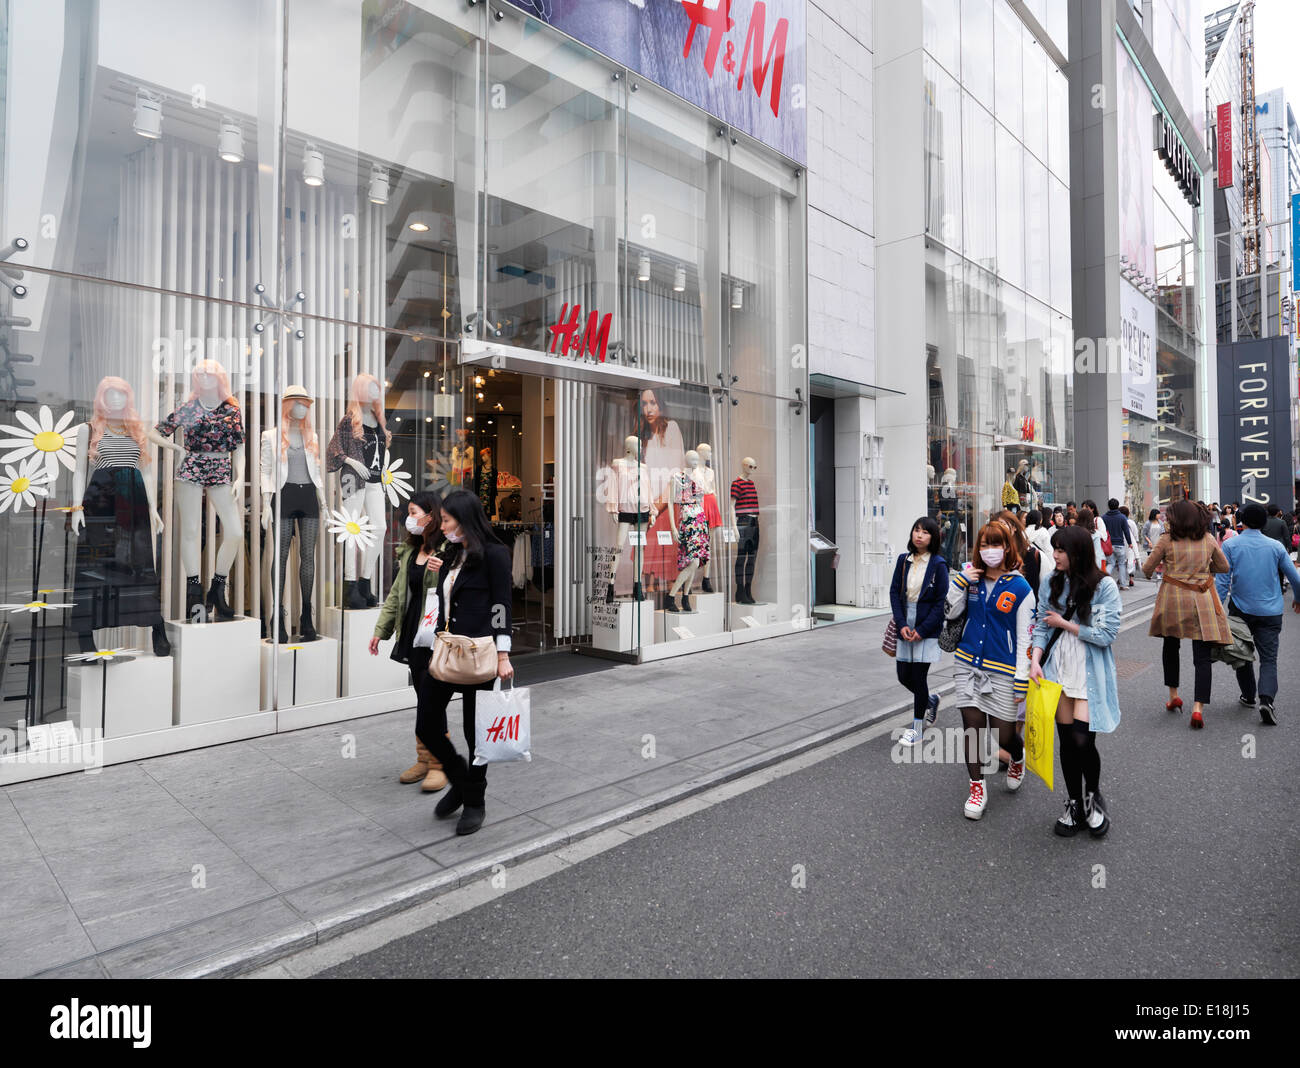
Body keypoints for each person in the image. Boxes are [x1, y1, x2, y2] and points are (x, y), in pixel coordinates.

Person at [414, 488, 514, 836]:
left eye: (445, 520)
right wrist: (438, 573)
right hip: (446, 652)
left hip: (480, 653)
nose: (442, 527)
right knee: (426, 723)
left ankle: (475, 801)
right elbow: (445, 602)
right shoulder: (451, 553)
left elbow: (502, 604)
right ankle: (462, 783)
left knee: (476, 734)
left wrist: (503, 653)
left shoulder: (495, 554)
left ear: (464, 519)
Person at [1030, 524, 1122, 837]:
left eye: (1060, 550)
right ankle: (1073, 803)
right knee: (1067, 740)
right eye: (1053, 549)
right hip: (1058, 667)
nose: (1054, 555)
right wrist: (1035, 661)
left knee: (1083, 740)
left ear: (1077, 553)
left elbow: (1106, 634)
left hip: (1089, 669)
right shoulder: (1050, 582)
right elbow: (1040, 625)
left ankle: (1092, 796)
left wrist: (1065, 624)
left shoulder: (1103, 586)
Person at [945, 521, 1035, 819]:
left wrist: (1022, 680)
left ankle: (1017, 757)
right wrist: (960, 581)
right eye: (984, 545)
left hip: (1003, 670)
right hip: (967, 663)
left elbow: (1026, 637)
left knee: (1003, 733)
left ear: (1007, 547)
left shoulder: (1021, 587)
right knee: (972, 728)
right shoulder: (969, 579)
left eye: (995, 544)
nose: (989, 551)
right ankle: (976, 787)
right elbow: (950, 612)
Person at [371, 490, 449, 793]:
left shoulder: (447, 550)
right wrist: (381, 630)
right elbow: (395, 595)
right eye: (410, 511)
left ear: (431, 516)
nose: (410, 518)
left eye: (415, 512)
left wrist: (442, 572)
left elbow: (460, 586)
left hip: (436, 635)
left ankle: (440, 763)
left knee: (433, 698)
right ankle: (424, 758)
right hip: (412, 635)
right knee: (423, 697)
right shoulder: (409, 550)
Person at [1141, 499, 1232, 729]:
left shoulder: (1166, 540)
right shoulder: (1209, 539)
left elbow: (1147, 569)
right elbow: (1224, 567)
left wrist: (1169, 567)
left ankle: (1173, 696)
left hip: (1172, 598)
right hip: (1201, 599)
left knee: (1171, 646)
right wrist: (1202, 569)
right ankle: (1198, 708)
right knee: (1202, 655)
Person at [1215, 503, 1300, 725]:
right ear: (1264, 522)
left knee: (1242, 654)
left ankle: (1248, 695)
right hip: (1271, 611)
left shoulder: (1231, 545)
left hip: (1240, 610)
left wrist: (1215, 609)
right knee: (1269, 659)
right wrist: (1298, 600)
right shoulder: (1276, 547)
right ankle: (1266, 700)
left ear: (1241, 521)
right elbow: (1295, 578)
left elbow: (1222, 582)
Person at [889, 517, 950, 746]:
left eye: (925, 532)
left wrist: (923, 630)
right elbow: (895, 593)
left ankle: (917, 728)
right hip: (906, 621)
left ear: (933, 538)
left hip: (927, 626)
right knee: (903, 675)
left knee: (918, 676)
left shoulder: (939, 565)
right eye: (916, 530)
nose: (919, 535)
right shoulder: (903, 561)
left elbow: (940, 602)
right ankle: (930, 700)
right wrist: (902, 623)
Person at [1101, 498, 1133, 586]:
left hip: (1109, 545)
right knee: (1122, 564)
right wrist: (1130, 543)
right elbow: (1126, 531)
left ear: (1108, 506)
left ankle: (1102, 581)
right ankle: (1123, 585)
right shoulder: (1122, 517)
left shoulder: (1103, 517)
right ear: (1117, 506)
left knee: (1110, 563)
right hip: (1119, 544)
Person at [1077, 506, 1106, 570]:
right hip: (1090, 566)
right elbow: (1097, 554)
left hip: (1076, 566)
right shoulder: (1095, 534)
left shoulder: (1073, 532)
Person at [1120, 506, 1139, 588]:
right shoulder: (1131, 522)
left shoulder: (1119, 522)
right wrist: (1136, 542)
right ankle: (1131, 578)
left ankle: (1121, 578)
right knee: (1131, 561)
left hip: (1121, 543)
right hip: (1130, 543)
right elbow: (1135, 534)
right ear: (1128, 514)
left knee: (1122, 561)